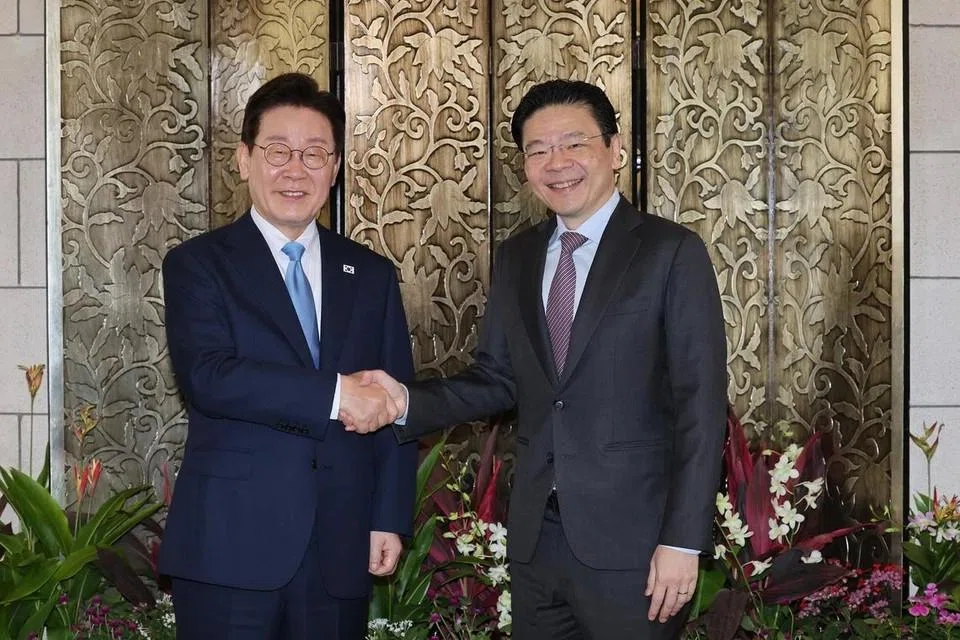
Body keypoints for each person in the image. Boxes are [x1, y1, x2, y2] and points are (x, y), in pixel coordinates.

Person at [342, 79, 727, 639]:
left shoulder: (670, 252)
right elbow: (497, 379)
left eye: (574, 143)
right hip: (536, 546)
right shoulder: (518, 256)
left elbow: (701, 404)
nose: (557, 163)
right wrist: (402, 400)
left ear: (615, 150)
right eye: (538, 150)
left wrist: (682, 540)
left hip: (637, 549)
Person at [159, 72, 414, 639]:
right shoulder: (198, 264)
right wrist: (337, 394)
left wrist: (388, 518)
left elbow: (397, 401)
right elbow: (209, 376)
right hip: (229, 548)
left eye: (315, 153)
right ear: (245, 159)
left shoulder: (370, 274)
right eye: (278, 151)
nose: (295, 170)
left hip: (340, 547)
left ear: (337, 166)